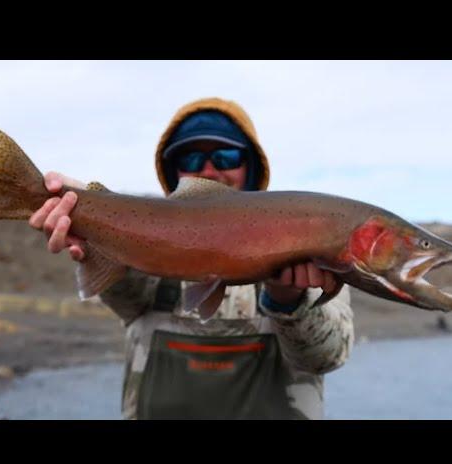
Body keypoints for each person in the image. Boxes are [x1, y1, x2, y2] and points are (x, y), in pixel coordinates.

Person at [29, 97, 355, 419]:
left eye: (226, 156)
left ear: (252, 165)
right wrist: (87, 217)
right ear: (174, 171)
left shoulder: (310, 245)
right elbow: (127, 299)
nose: (210, 171)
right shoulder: (143, 247)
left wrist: (288, 301)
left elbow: (326, 358)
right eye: (191, 159)